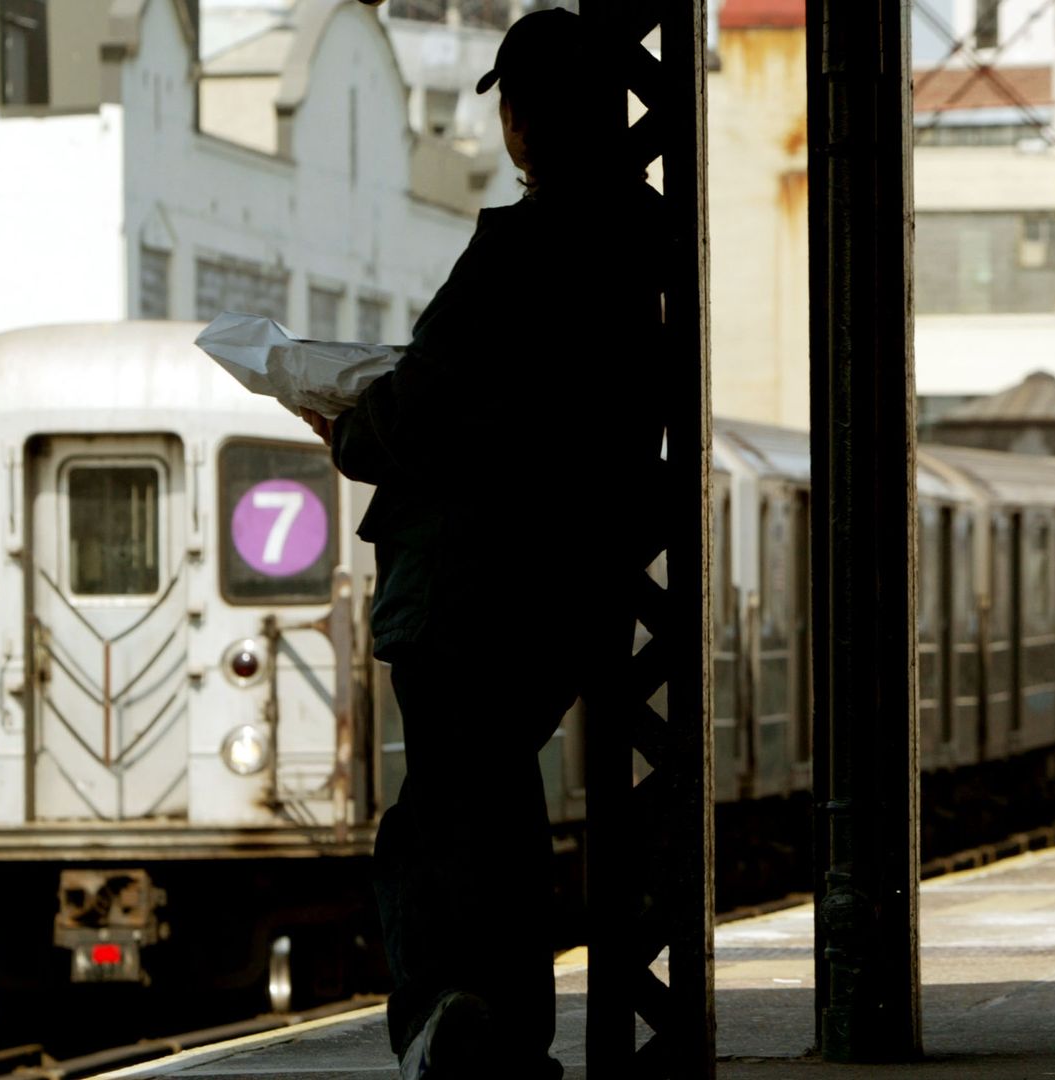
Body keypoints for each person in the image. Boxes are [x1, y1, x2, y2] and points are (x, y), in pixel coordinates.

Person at [300, 10, 662, 1078]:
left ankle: (453, 1024)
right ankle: (508, 1030)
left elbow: (429, 404)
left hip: (471, 588)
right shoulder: (642, 239)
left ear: (520, 122)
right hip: (572, 585)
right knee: (500, 807)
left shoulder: (524, 245)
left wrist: (351, 425)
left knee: (440, 824)